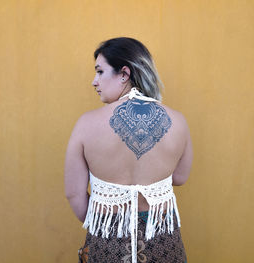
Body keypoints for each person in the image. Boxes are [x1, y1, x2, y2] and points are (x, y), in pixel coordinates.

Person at [65, 37, 193, 263]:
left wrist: (102, 228)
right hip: (162, 239)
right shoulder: (178, 121)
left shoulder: (86, 124)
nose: (94, 82)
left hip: (107, 242)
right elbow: (180, 177)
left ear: (124, 74)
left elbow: (74, 193)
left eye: (100, 72)